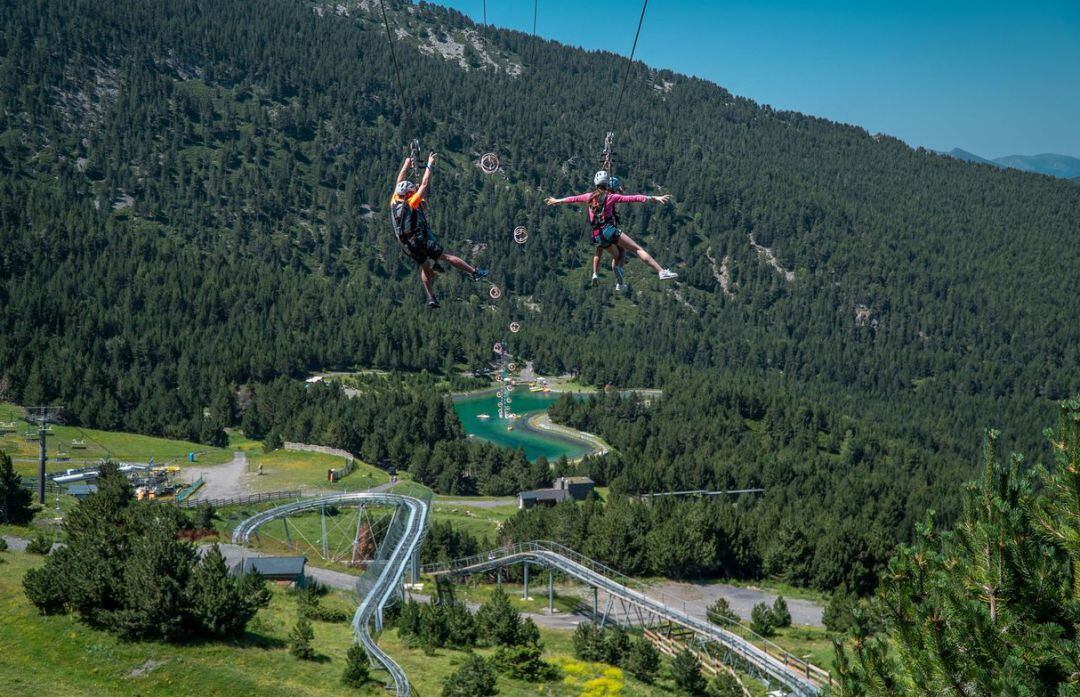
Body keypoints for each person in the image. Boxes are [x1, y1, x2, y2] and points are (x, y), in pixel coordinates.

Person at [391, 152, 489, 308]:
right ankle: (474, 272)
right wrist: (429, 164)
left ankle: (431, 297)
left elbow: (399, 179)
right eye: (412, 191)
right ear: (409, 193)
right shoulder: (411, 202)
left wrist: (406, 163)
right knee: (447, 257)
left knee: (425, 267)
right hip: (418, 241)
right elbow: (424, 184)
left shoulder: (394, 200)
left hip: (405, 246)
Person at [546, 170, 677, 284]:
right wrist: (655, 197)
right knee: (637, 249)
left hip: (597, 235)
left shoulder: (588, 196)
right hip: (609, 230)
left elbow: (572, 199)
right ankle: (661, 272)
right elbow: (635, 198)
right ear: (607, 184)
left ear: (596, 183)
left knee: (618, 254)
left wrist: (556, 201)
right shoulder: (611, 197)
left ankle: (618, 276)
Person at [590, 175, 628, 291]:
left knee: (599, 250)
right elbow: (622, 198)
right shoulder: (612, 196)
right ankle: (618, 276)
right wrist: (620, 191)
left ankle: (595, 273)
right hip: (609, 228)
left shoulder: (597, 196)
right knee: (620, 252)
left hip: (597, 229)